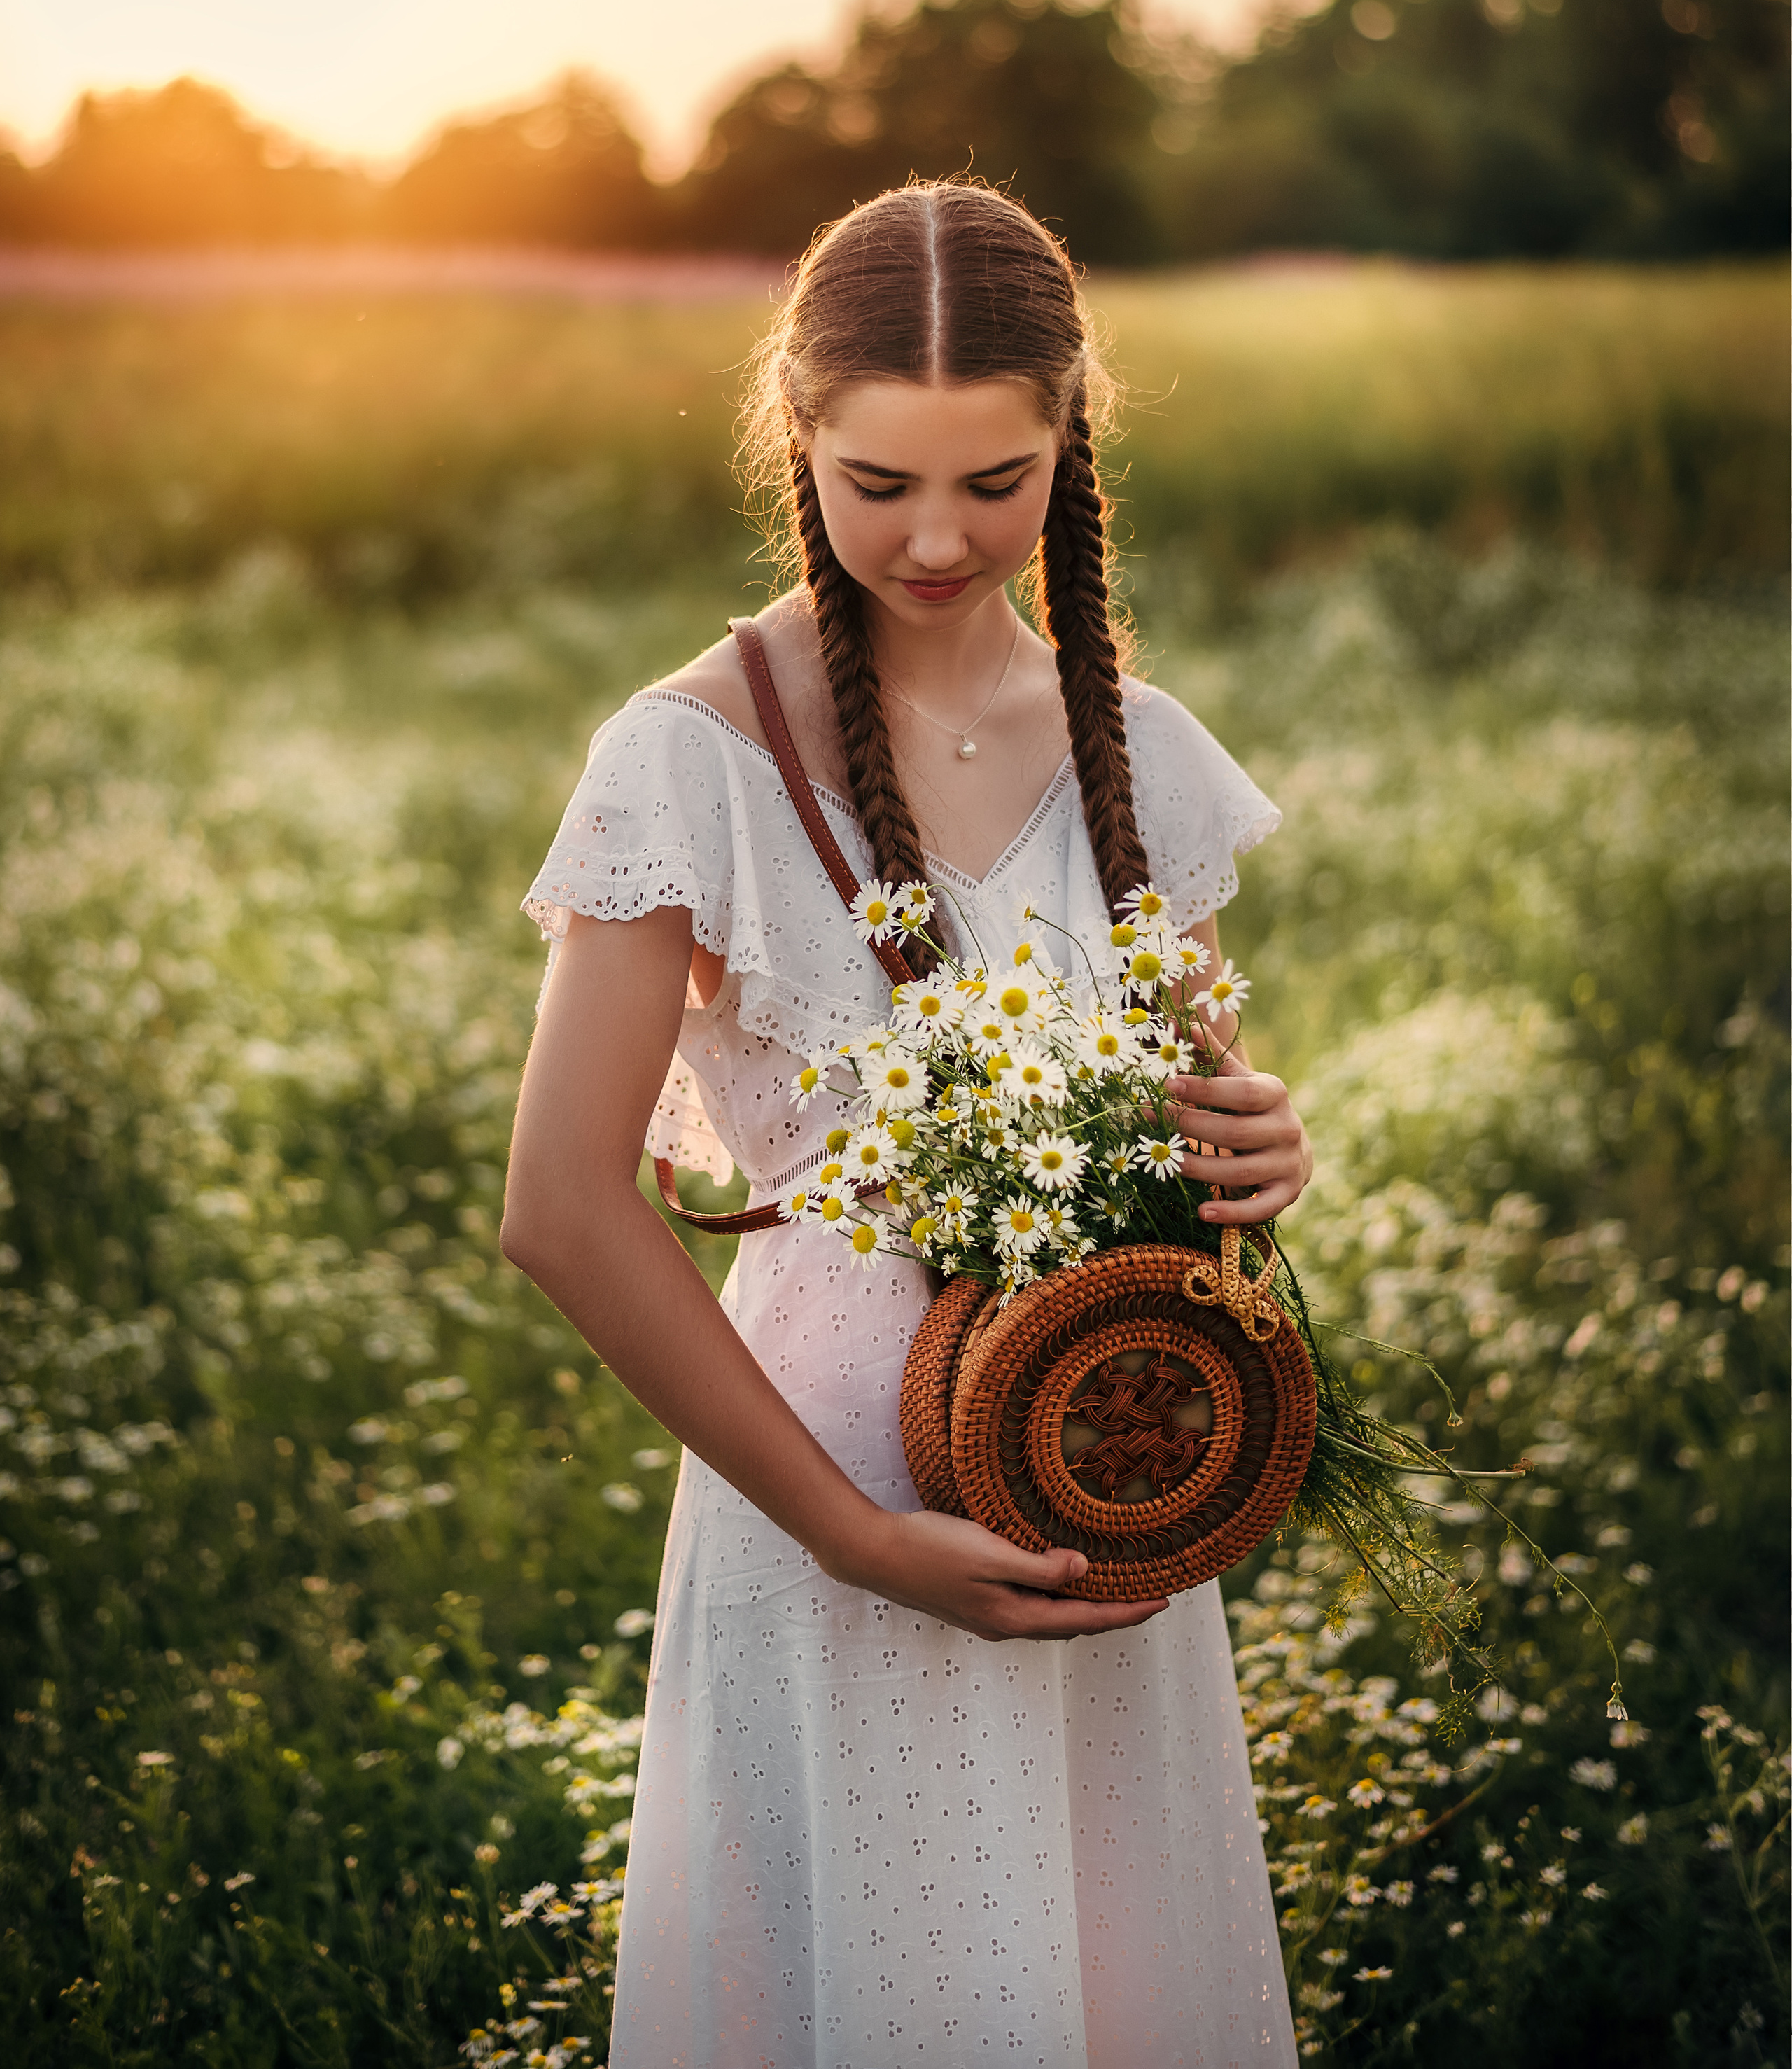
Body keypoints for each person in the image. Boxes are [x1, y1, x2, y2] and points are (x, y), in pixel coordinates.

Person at [502, 182, 1310, 2067]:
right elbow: (560, 1206)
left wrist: (1264, 1161)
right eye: (880, 484)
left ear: (1069, 437)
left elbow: (1187, 1170)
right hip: (825, 1503)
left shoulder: (1141, 749)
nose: (938, 537)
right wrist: (853, 1537)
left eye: (995, 479)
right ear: (798, 430)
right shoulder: (686, 761)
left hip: (1093, 1502)